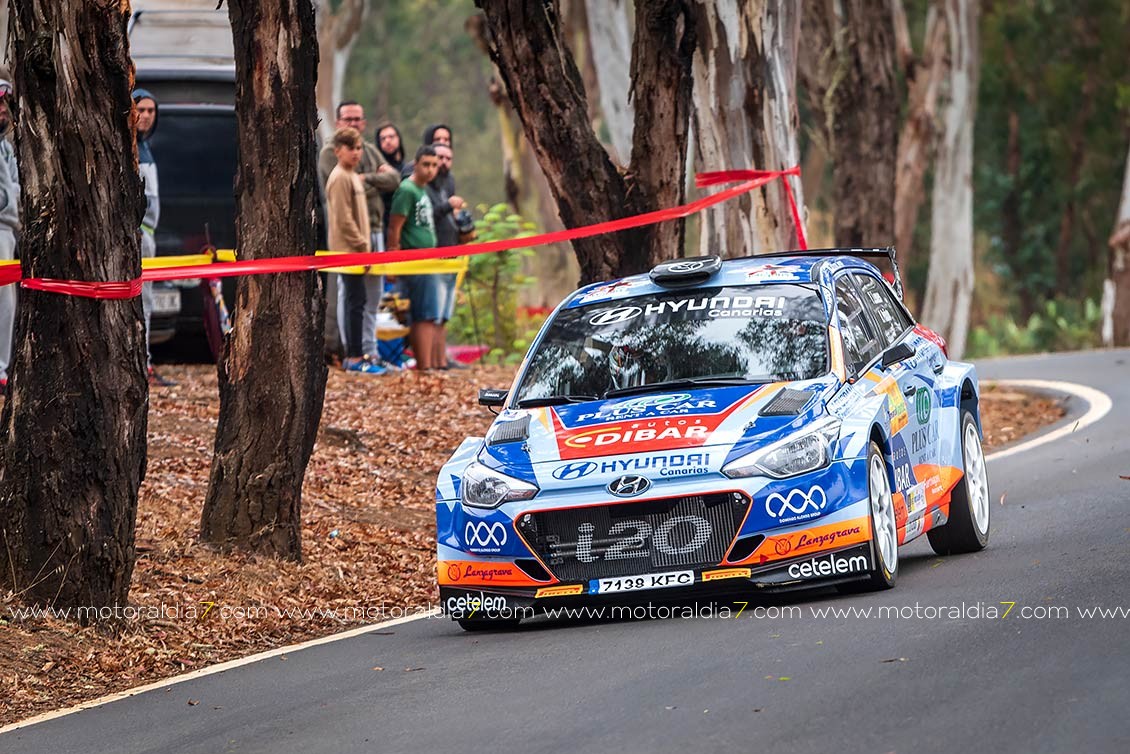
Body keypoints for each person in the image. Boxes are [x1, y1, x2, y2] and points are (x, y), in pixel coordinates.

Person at [318, 102, 401, 364]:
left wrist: (368, 179)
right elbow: (342, 210)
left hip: (372, 232)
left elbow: (394, 180)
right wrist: (374, 182)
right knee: (349, 296)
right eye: (348, 119)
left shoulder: (368, 154)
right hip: (350, 243)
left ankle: (369, 350)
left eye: (357, 119)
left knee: (371, 297)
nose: (356, 153)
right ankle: (349, 352)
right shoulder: (334, 162)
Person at [325, 127, 384, 374]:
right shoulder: (339, 177)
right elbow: (344, 219)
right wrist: (362, 245)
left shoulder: (351, 175)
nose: (356, 152)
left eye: (359, 148)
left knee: (358, 300)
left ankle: (358, 355)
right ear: (338, 151)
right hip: (349, 250)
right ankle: (354, 357)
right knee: (354, 301)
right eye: (351, 148)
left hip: (358, 249)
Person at [388, 146, 448, 371]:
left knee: (430, 314)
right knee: (424, 315)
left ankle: (428, 366)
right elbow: (394, 227)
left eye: (434, 165)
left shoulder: (423, 190)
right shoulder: (407, 189)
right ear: (416, 164)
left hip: (428, 261)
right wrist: (392, 261)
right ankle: (424, 367)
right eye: (426, 164)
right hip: (414, 261)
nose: (430, 170)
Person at [133, 88, 176, 387]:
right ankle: (142, 363)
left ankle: (145, 361)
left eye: (151, 111)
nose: (146, 116)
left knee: (147, 301)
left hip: (148, 235)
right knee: (141, 301)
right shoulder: (128, 148)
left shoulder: (145, 147)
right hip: (138, 235)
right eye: (141, 110)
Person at [424, 142, 469, 370]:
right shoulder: (425, 187)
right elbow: (427, 216)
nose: (443, 163)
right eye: (439, 158)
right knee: (434, 312)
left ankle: (441, 361)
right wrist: (447, 206)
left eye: (448, 158)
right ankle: (431, 361)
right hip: (435, 256)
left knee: (444, 313)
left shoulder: (447, 183)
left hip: (452, 253)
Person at [0, 79, 18, 390]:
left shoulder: (6, 148)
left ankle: (2, 367)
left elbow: (17, 188)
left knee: (7, 303)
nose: (3, 110)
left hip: (7, 232)